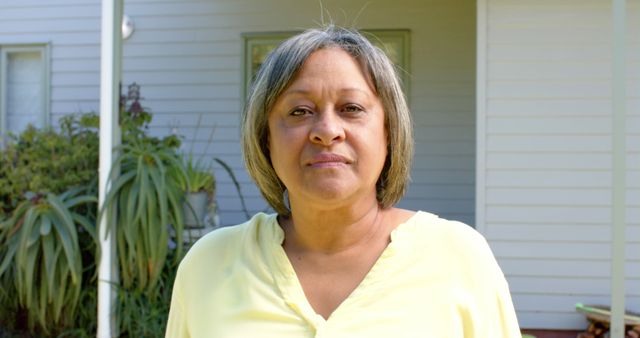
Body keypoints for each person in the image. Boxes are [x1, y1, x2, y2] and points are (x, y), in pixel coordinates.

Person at [165, 26, 521, 338]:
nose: (327, 131)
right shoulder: (208, 266)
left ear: (389, 132)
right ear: (265, 138)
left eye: (351, 108)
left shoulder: (459, 258)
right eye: (299, 111)